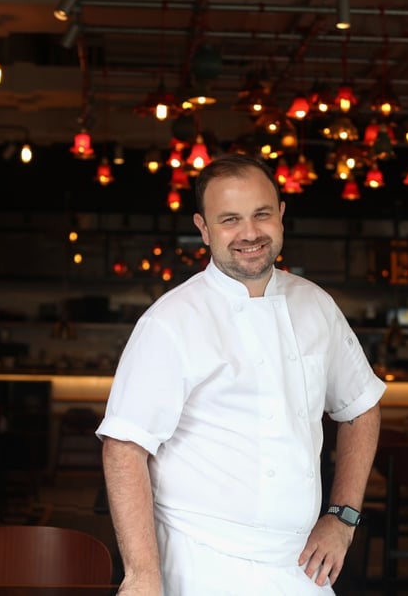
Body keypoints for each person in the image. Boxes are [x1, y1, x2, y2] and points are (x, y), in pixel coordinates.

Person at [97, 153, 384, 595]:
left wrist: (343, 517)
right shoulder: (171, 321)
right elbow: (124, 448)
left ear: (281, 215)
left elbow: (361, 408)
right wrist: (141, 575)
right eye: (230, 219)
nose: (249, 233)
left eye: (261, 214)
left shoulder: (316, 305)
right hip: (202, 563)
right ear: (203, 228)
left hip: (301, 566)